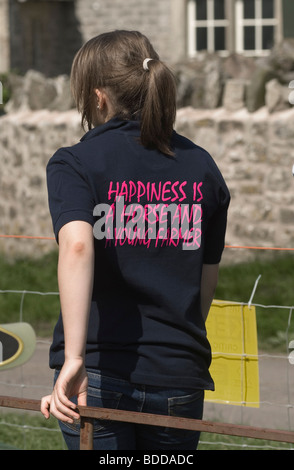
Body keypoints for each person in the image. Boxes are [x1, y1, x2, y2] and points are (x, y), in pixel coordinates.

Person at [41, 30, 230, 450]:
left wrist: (74, 359)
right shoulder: (202, 166)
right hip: (178, 375)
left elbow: (76, 245)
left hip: (98, 371)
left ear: (97, 98)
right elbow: (207, 277)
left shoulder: (75, 162)